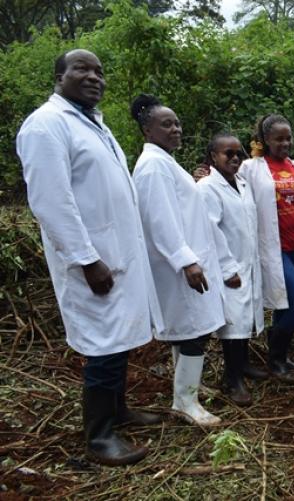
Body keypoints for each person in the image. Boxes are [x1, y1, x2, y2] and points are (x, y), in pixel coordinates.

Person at [16, 49, 163, 465]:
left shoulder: (93, 123)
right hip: (91, 260)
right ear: (59, 75)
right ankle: (99, 438)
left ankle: (118, 411)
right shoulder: (45, 126)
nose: (94, 76)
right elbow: (50, 202)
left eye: (99, 70)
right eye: (82, 68)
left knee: (118, 339)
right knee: (103, 343)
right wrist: (86, 259)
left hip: (116, 253)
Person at [131, 94, 239, 426]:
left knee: (188, 331)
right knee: (194, 332)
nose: (176, 128)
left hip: (188, 260)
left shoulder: (164, 162)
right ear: (147, 130)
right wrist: (185, 261)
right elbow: (159, 219)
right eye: (167, 124)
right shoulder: (152, 166)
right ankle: (186, 403)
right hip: (179, 266)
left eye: (177, 123)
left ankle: (185, 389)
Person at [239, 114, 294, 376]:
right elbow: (229, 185)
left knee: (286, 303)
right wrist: (203, 175)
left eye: (288, 138)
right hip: (274, 247)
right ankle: (275, 355)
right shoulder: (252, 168)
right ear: (265, 140)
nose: (285, 143)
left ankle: (280, 357)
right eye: (278, 138)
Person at [196, 133, 268, 406]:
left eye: (239, 153)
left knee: (245, 318)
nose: (235, 158)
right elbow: (210, 231)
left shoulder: (242, 183)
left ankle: (244, 366)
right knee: (233, 324)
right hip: (228, 265)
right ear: (214, 156)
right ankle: (231, 379)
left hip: (247, 262)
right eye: (228, 153)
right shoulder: (207, 188)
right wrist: (227, 269)